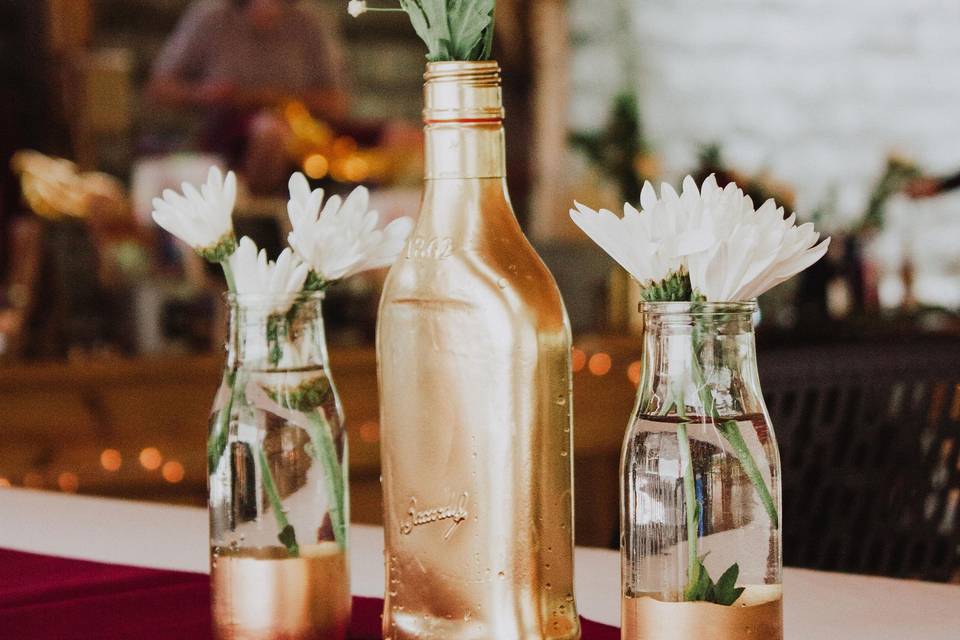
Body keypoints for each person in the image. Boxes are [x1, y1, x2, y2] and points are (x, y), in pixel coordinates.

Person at [147, 0, 348, 194]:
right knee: (269, 133)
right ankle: (257, 215)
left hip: (300, 133)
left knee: (275, 132)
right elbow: (159, 88)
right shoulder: (210, 16)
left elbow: (337, 102)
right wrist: (203, 93)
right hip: (222, 131)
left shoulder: (310, 20)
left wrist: (274, 98)